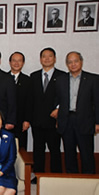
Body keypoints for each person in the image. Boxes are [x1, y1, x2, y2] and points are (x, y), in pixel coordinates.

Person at [55, 51, 99, 174]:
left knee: (86, 153)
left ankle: (89, 181)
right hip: (67, 120)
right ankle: (72, 180)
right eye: (70, 62)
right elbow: (57, 100)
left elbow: (97, 102)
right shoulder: (60, 80)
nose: (73, 64)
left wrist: (97, 122)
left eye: (75, 61)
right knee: (69, 154)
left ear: (81, 62)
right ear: (66, 64)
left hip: (85, 121)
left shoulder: (93, 79)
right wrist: (58, 115)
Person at [30, 47, 65, 183]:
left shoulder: (62, 76)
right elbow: (30, 99)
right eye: (44, 56)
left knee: (54, 148)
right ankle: (38, 175)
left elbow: (65, 97)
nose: (47, 59)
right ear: (40, 59)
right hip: (37, 119)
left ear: (55, 59)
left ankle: (56, 175)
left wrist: (58, 108)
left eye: (50, 56)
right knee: (38, 149)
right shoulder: (34, 76)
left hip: (54, 119)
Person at [8, 52, 32, 150]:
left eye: (19, 60)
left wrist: (27, 120)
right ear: (10, 62)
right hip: (6, 121)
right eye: (14, 60)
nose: (16, 63)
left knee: (21, 148)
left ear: (23, 63)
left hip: (21, 121)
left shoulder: (28, 80)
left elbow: (30, 102)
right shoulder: (3, 78)